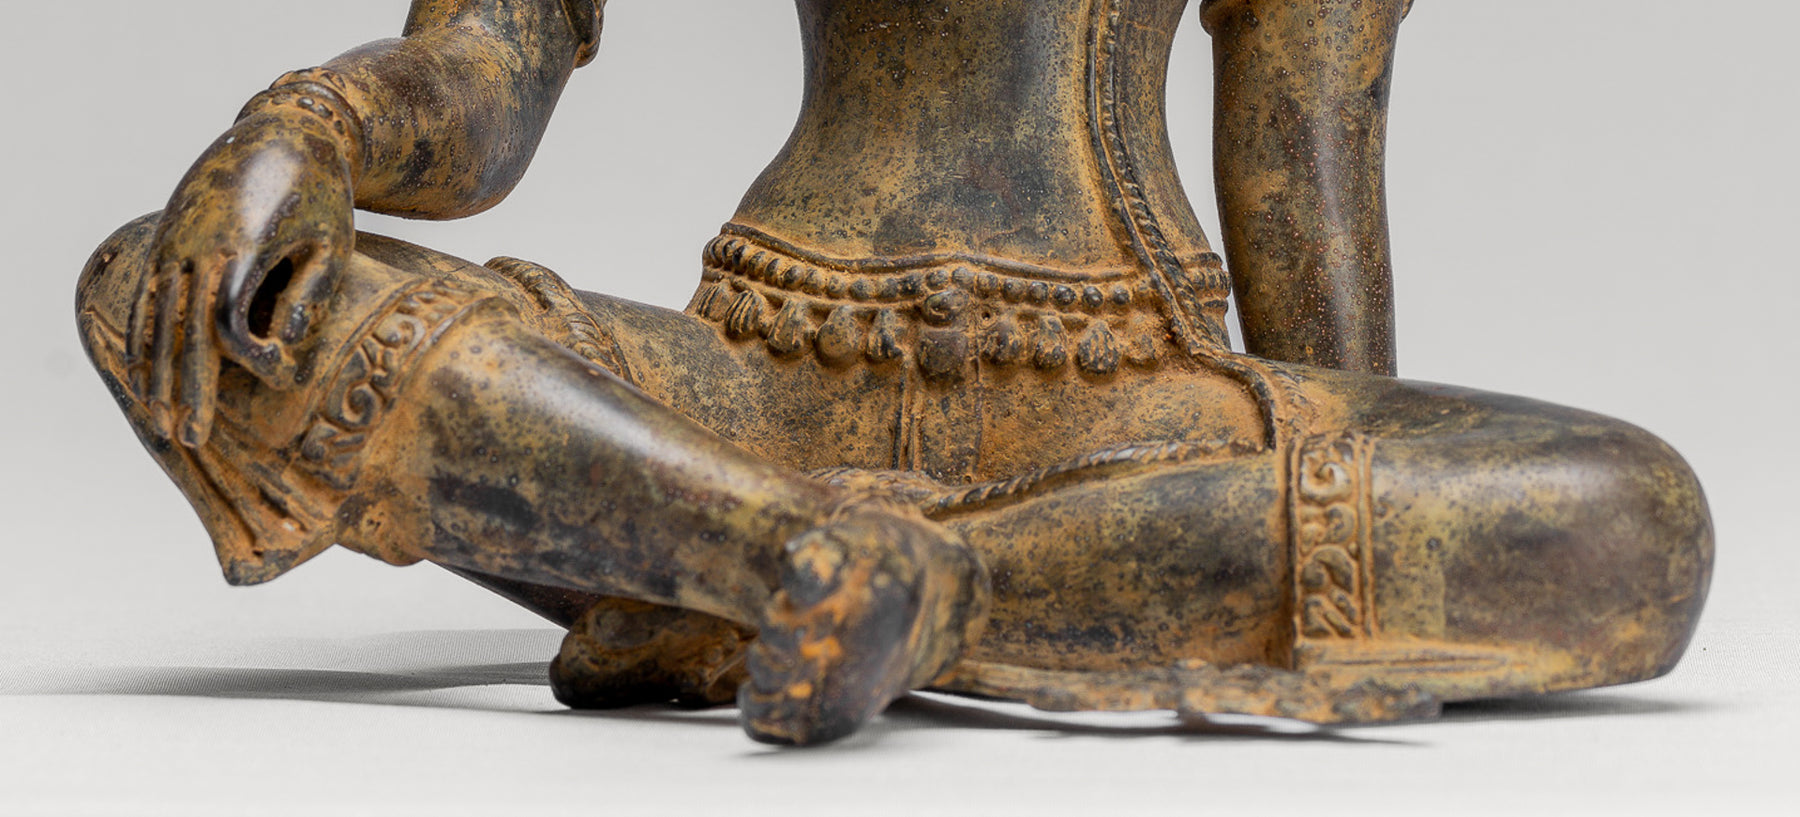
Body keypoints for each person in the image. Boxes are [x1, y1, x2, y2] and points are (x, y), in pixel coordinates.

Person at [75, 0, 1712, 746]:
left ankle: (823, 577)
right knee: (160, 284)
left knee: (1634, 519)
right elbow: (485, 68)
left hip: (1122, 387)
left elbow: (1304, 169)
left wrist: (1330, 482)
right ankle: (796, 552)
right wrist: (308, 131)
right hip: (758, 376)